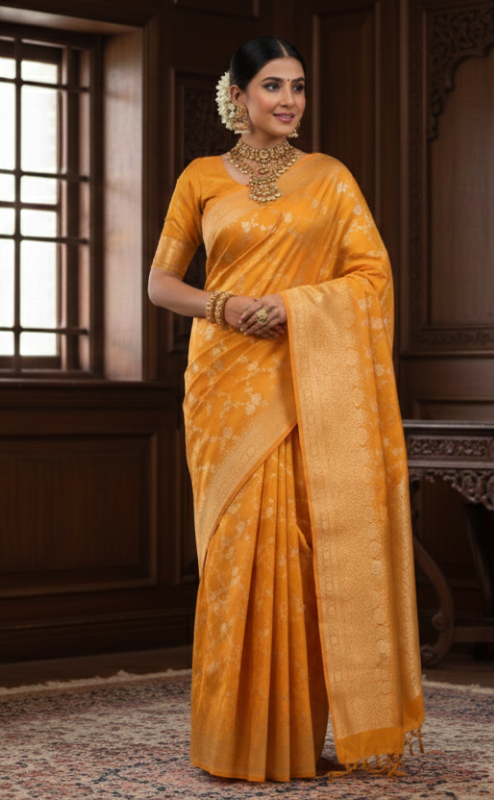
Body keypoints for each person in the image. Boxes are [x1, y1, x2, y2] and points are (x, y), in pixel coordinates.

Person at [148, 36, 424, 783]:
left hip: (307, 383)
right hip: (224, 380)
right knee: (235, 556)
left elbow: (372, 277)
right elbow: (160, 284)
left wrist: (297, 305)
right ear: (237, 96)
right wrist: (226, 306)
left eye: (298, 86)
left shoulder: (330, 178)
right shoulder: (201, 178)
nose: (289, 100)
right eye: (273, 86)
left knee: (301, 552)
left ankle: (297, 741)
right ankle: (231, 740)